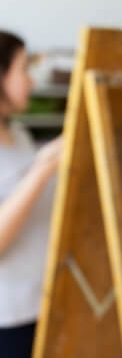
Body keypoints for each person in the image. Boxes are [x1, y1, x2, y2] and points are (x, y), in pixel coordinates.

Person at [0, 30, 63, 358]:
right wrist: (43, 169)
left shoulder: (21, 136)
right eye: (23, 69)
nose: (32, 82)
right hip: (8, 319)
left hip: (45, 304)